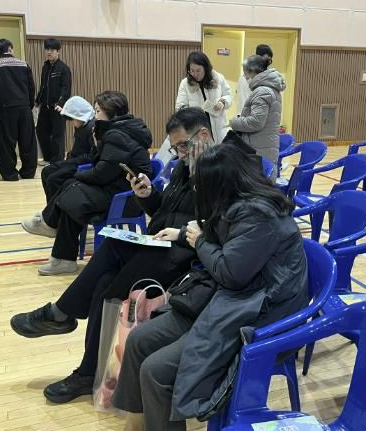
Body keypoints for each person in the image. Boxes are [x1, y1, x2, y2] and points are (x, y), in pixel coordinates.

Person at [10, 108, 213, 404]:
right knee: (105, 279)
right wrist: (147, 196)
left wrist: (183, 226)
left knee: (113, 251)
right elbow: (164, 212)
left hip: (185, 260)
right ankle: (86, 371)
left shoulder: (220, 169)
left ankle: (60, 314)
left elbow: (214, 227)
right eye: (176, 148)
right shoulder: (184, 167)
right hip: (161, 247)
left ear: (203, 135)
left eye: (184, 146)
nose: (180, 154)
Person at [112, 142, 309, 430]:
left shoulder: (259, 215)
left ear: (218, 184)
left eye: (200, 184)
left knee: (156, 371)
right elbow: (222, 241)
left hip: (258, 314)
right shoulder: (240, 203)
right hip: (232, 299)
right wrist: (184, 234)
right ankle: (139, 421)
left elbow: (230, 272)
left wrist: (199, 241)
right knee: (139, 340)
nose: (197, 190)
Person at [21, 91, 152, 275]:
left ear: (111, 113)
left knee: (72, 189)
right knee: (71, 193)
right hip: (116, 187)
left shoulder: (118, 135)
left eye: (98, 111)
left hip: (124, 198)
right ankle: (61, 254)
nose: (94, 115)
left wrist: (79, 175)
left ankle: (54, 237)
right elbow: (105, 167)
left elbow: (102, 173)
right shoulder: (119, 130)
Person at [0, 39, 38, 181]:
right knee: (27, 141)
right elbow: (31, 87)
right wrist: (28, 105)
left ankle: (9, 174)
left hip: (5, 109)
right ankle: (28, 172)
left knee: (6, 143)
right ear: (10, 49)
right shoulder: (23, 64)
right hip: (24, 107)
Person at [230, 54, 285, 179]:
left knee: (259, 185)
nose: (245, 78)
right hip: (264, 144)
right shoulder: (269, 88)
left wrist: (234, 122)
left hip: (260, 147)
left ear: (252, 72)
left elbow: (256, 122)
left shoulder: (262, 91)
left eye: (245, 74)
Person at [40, 96, 96, 201]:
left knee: (54, 179)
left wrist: (72, 160)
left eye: (73, 119)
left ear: (80, 115)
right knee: (46, 171)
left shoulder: (91, 128)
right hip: (75, 161)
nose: (72, 122)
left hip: (83, 164)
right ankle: (51, 206)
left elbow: (92, 155)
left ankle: (58, 207)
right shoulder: (82, 126)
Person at [175, 51, 231, 143]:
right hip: (198, 131)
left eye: (198, 70)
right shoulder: (185, 84)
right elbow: (180, 108)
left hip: (219, 129)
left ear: (205, 68)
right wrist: (193, 114)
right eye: (192, 71)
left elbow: (228, 95)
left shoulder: (218, 78)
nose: (195, 74)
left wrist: (223, 102)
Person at [35, 38, 72, 164]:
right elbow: (43, 87)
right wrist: (37, 101)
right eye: (47, 49)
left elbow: (66, 89)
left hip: (57, 107)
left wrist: (60, 104)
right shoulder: (45, 67)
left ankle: (58, 162)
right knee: (41, 131)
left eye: (52, 50)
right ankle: (48, 159)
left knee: (58, 135)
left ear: (58, 51)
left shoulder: (64, 68)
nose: (49, 52)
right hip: (45, 107)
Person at [236, 44, 273, 115]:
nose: (269, 59)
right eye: (267, 56)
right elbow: (243, 98)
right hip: (249, 115)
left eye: (270, 56)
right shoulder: (246, 76)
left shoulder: (268, 74)